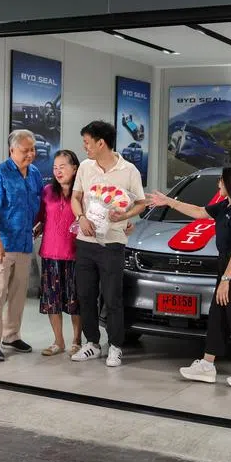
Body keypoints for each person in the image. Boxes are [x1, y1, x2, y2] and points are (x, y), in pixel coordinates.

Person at [149, 164, 231, 388]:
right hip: (227, 266)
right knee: (217, 316)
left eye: (221, 180)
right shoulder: (225, 206)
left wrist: (226, 280)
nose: (218, 183)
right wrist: (169, 201)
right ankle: (207, 365)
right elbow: (199, 212)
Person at [70, 120, 146, 368]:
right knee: (86, 295)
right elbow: (76, 197)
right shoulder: (85, 167)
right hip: (85, 242)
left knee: (112, 297)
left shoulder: (129, 171)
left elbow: (141, 203)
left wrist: (124, 215)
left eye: (87, 143)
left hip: (113, 243)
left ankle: (115, 346)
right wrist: (81, 218)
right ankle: (92, 343)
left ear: (101, 143)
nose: (85, 147)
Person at [0, 129, 43, 362]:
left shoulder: (35, 173)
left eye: (33, 149)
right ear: (12, 150)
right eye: (26, 150)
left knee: (18, 293)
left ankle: (12, 335)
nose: (31, 154)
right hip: (3, 245)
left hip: (25, 243)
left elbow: (38, 203)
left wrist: (39, 225)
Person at [34, 150, 82, 356]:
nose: (58, 171)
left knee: (75, 300)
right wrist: (37, 227)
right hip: (50, 253)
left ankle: (77, 341)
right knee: (52, 300)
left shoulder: (82, 193)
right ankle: (58, 341)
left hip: (75, 254)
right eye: (55, 167)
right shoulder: (47, 191)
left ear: (75, 168)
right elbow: (41, 217)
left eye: (62, 166)